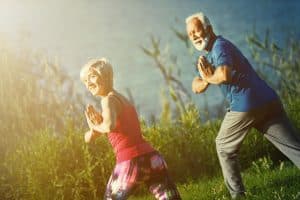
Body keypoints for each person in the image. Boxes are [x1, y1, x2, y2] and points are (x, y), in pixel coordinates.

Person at [185, 12, 300, 199]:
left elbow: (224, 74)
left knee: (222, 146)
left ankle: (238, 196)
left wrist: (210, 77)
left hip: (246, 105)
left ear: (208, 28)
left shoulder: (219, 47)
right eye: (190, 35)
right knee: (294, 147)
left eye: (196, 31)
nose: (194, 36)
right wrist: (206, 79)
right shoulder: (208, 54)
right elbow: (196, 86)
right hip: (268, 100)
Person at [80, 58, 181, 200]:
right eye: (85, 81)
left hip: (131, 161)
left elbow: (109, 126)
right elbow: (93, 136)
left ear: (106, 76)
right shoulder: (121, 98)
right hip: (152, 157)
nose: (88, 83)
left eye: (92, 77)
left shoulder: (107, 100)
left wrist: (97, 126)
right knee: (170, 198)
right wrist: (95, 128)